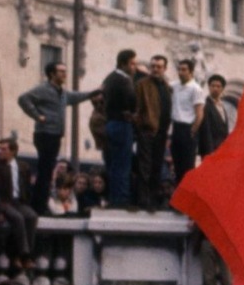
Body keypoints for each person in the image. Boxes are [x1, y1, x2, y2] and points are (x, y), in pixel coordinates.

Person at [18, 60, 99, 213]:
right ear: (51, 74)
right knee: (45, 171)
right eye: (61, 71)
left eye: (65, 71)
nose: (64, 74)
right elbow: (23, 99)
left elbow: (75, 96)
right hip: (45, 134)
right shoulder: (43, 89)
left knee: (47, 171)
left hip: (54, 135)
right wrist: (37, 116)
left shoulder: (61, 93)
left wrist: (93, 92)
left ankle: (40, 205)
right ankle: (39, 206)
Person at [0, 137, 39, 271]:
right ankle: (22, 255)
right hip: (3, 201)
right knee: (17, 218)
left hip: (19, 201)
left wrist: (26, 200)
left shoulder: (23, 166)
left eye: (4, 149)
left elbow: (27, 186)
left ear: (13, 151)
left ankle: (24, 256)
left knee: (31, 216)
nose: (0, 152)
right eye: (0, 149)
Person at [134, 54, 173, 210]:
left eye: (159, 67)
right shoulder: (142, 84)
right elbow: (137, 108)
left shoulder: (166, 86)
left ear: (164, 69)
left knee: (157, 165)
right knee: (145, 166)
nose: (155, 69)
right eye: (153, 66)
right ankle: (144, 200)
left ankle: (154, 199)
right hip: (147, 130)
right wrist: (142, 127)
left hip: (162, 132)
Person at [102, 49, 139, 208]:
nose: (134, 67)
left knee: (115, 164)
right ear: (123, 63)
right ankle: (121, 200)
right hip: (122, 124)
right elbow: (132, 101)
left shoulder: (109, 78)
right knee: (123, 164)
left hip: (111, 123)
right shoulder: (124, 80)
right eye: (132, 63)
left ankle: (115, 197)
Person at [169, 58, 206, 187]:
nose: (180, 72)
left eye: (184, 70)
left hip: (188, 129)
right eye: (179, 69)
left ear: (191, 72)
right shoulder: (174, 86)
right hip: (176, 128)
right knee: (177, 165)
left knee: (187, 167)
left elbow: (199, 114)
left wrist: (192, 131)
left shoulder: (196, 89)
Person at [197, 73, 231, 158]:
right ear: (209, 87)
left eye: (218, 86)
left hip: (222, 149)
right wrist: (210, 152)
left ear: (222, 89)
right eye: (213, 86)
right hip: (210, 150)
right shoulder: (205, 105)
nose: (215, 88)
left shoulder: (222, 106)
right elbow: (206, 130)